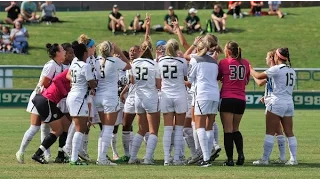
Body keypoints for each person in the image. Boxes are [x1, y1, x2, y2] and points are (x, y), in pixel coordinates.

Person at [16, 43, 65, 164]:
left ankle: (46, 155)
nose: (64, 51)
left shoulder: (60, 66)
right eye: (62, 49)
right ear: (57, 53)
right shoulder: (51, 65)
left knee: (45, 127)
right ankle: (20, 151)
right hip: (41, 98)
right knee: (35, 127)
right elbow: (44, 83)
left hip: (48, 99)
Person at [251, 47, 298, 166]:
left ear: (277, 56)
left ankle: (265, 159)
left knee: (270, 132)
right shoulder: (292, 70)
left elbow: (258, 76)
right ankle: (293, 159)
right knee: (289, 132)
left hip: (277, 103)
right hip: (289, 103)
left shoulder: (276, 69)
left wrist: (249, 68)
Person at [94, 41, 131, 166]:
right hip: (110, 98)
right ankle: (102, 158)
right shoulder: (114, 61)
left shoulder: (97, 60)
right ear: (110, 50)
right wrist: (119, 51)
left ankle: (101, 157)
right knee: (108, 129)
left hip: (98, 97)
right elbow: (129, 65)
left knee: (104, 129)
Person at [187, 37, 220, 167]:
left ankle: (206, 158)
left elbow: (190, 77)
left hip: (202, 94)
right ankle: (207, 157)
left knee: (200, 126)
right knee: (209, 126)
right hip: (214, 94)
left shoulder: (195, 60)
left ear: (198, 47)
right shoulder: (214, 61)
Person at [218, 41, 250, 166]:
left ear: (229, 51)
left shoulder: (224, 62)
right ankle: (241, 155)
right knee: (236, 128)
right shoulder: (246, 63)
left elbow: (218, 76)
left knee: (228, 129)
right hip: (241, 99)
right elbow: (246, 81)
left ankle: (230, 159)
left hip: (227, 98)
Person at [66, 42, 97, 165]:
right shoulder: (85, 66)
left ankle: (72, 154)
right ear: (85, 53)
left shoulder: (74, 64)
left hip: (73, 96)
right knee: (80, 129)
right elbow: (92, 83)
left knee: (79, 127)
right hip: (79, 98)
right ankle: (73, 158)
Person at [158, 39, 188, 166]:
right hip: (180, 95)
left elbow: (159, 79)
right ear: (177, 49)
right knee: (179, 129)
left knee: (167, 128)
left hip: (166, 95)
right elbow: (186, 77)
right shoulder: (182, 61)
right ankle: (176, 158)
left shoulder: (160, 61)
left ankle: (166, 158)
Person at [31, 67, 70, 164]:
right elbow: (56, 79)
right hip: (46, 100)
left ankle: (61, 156)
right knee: (58, 130)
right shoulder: (70, 71)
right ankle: (38, 154)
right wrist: (64, 92)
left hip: (49, 101)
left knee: (66, 124)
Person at [54, 42, 74, 163]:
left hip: (69, 99)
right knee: (60, 128)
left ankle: (61, 153)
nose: (72, 55)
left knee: (67, 127)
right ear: (64, 53)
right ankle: (52, 153)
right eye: (70, 53)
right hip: (60, 100)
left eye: (73, 52)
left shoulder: (72, 65)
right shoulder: (59, 66)